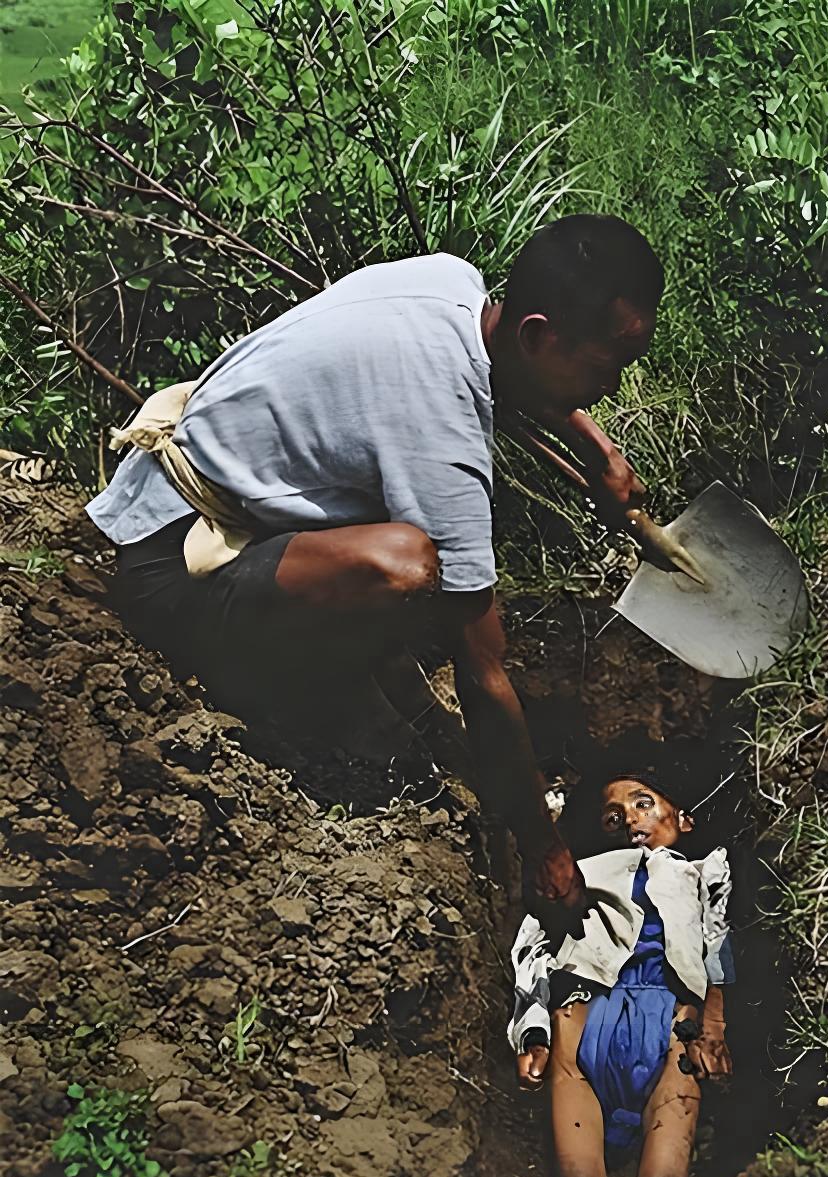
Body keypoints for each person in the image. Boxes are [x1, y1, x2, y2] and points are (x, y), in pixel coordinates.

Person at [85, 215, 664, 930]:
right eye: (607, 367)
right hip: (171, 562)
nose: (611, 388)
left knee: (411, 567)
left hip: (195, 497)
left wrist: (597, 448)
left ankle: (333, 659)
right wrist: (544, 848)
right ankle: (287, 695)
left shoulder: (452, 284)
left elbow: (526, 378)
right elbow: (484, 672)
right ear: (539, 335)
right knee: (408, 568)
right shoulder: (441, 439)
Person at [507, 767, 735, 1177]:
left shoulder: (702, 871)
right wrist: (532, 1028)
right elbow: (536, 945)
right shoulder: (584, 873)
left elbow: (717, 940)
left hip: (670, 1011)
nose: (630, 819)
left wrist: (713, 1020)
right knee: (569, 1061)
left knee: (680, 1075)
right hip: (588, 1005)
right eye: (613, 818)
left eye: (643, 803)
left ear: (684, 820)